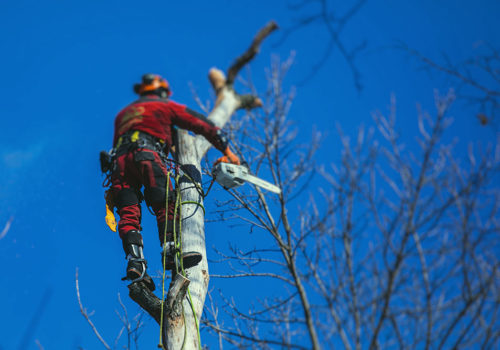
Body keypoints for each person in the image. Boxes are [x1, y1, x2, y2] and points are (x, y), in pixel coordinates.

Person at [109, 73, 239, 291]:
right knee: (165, 202)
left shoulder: (124, 114)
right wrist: (228, 151)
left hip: (119, 165)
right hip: (146, 155)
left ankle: (135, 263)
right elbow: (202, 124)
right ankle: (171, 251)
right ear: (161, 92)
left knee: (129, 213)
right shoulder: (165, 106)